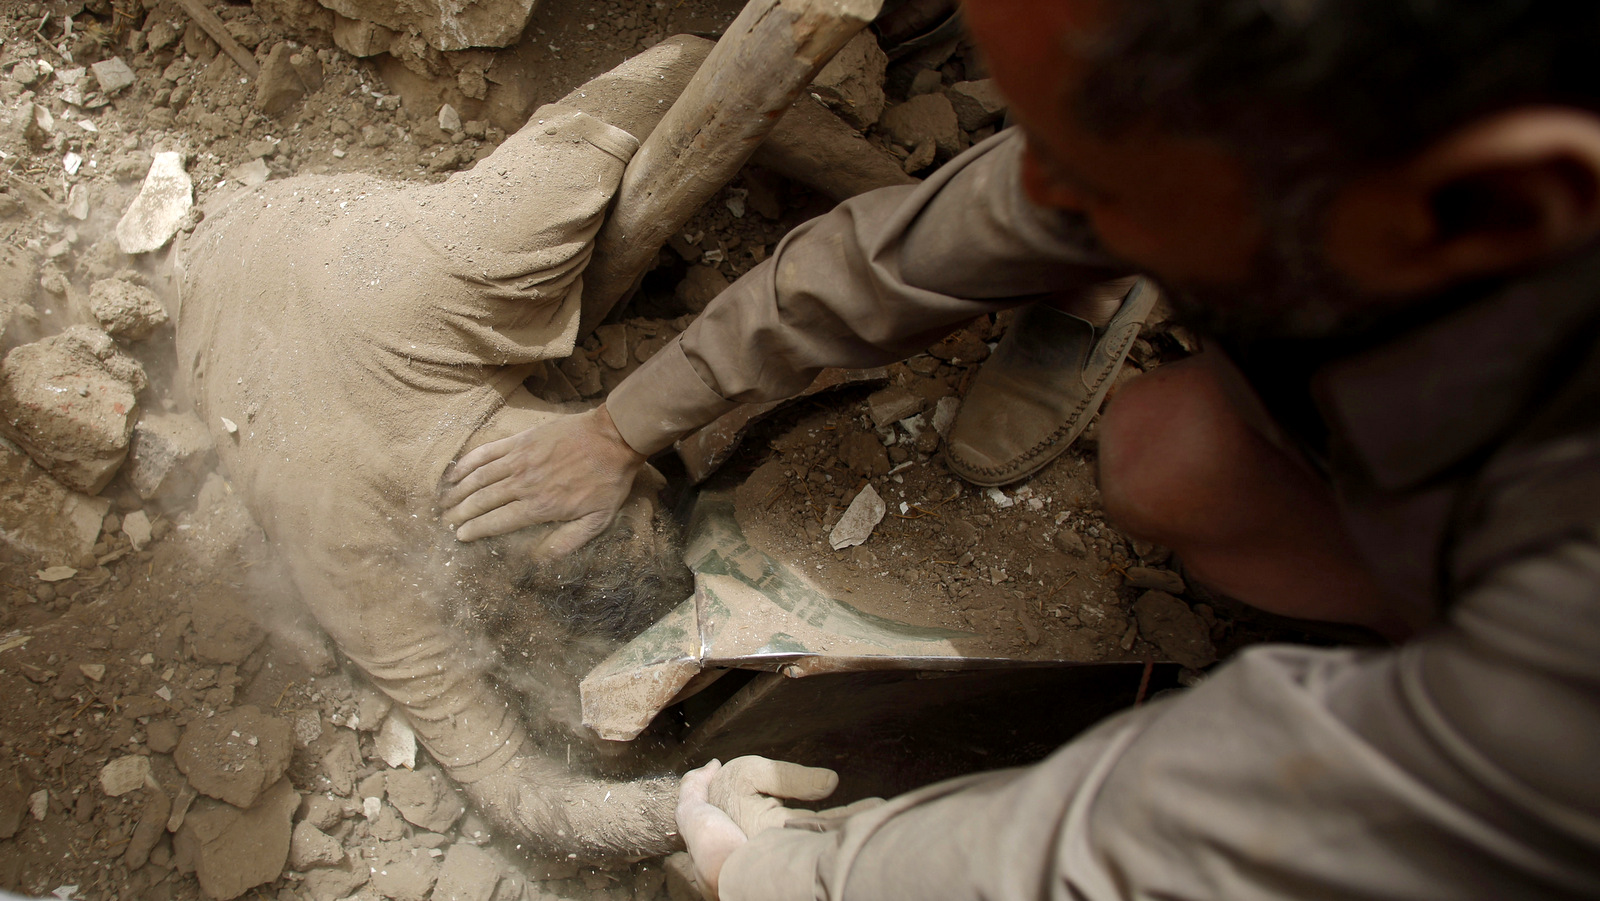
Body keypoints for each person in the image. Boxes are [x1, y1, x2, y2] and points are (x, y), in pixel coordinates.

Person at [442, 0, 1600, 896]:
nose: (1035, 188)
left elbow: (1180, 844)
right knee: (1170, 456)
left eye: (1101, 168)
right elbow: (901, 255)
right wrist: (619, 424)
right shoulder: (1350, 136)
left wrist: (798, 876)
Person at [173, 39, 722, 861]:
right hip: (224, 271)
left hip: (223, 280)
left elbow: (682, 63)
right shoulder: (467, 271)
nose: (635, 454)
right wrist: (702, 806)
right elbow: (519, 795)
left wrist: (690, 811)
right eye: (632, 470)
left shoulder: (471, 263)